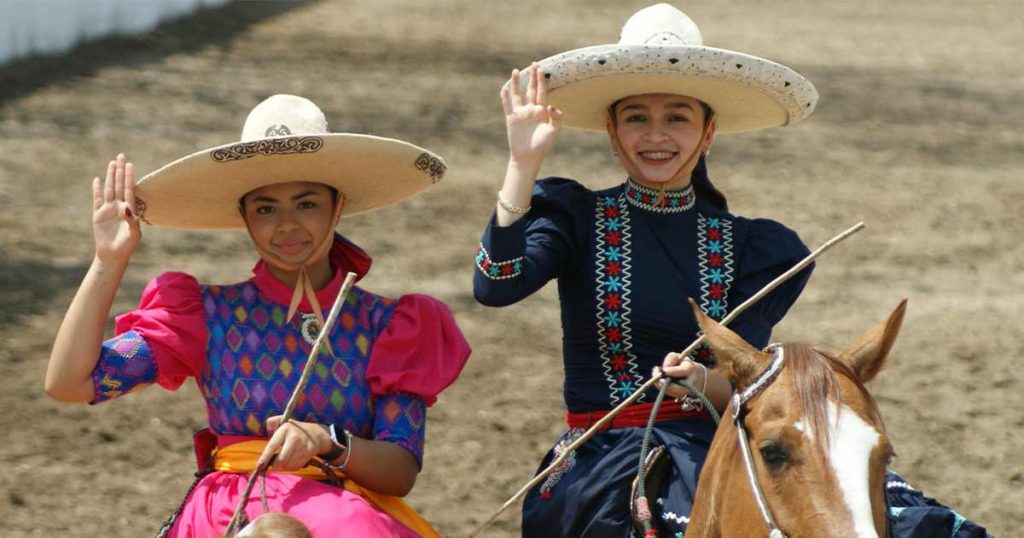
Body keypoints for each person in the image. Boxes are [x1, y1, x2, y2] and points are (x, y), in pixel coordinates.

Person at [473, 4, 989, 537]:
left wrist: (700, 382)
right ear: (611, 129)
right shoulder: (575, 217)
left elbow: (747, 387)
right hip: (603, 458)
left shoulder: (758, 250)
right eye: (636, 117)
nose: (657, 135)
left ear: (708, 130)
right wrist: (522, 163)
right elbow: (494, 286)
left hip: (725, 445)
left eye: (677, 116)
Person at [45, 94, 470, 538]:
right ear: (245, 217)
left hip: (346, 521)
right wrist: (109, 261)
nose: (286, 224)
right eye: (266, 208)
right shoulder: (202, 316)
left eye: (306, 204)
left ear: (337, 205)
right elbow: (71, 384)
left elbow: (399, 472)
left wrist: (328, 440)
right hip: (224, 517)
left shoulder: (390, 326)